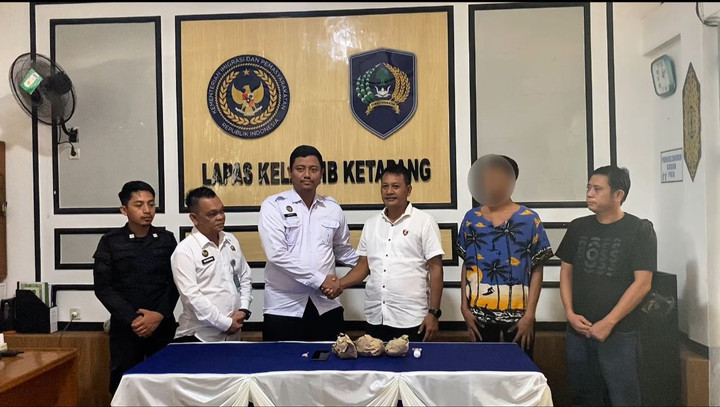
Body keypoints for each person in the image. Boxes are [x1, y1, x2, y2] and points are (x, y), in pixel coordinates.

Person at [556, 166, 656, 406]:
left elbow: (642, 284)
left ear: (618, 195)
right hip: (579, 329)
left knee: (623, 398)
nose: (589, 193)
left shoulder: (639, 229)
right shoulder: (578, 227)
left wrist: (609, 322)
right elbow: (566, 272)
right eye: (588, 188)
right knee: (583, 396)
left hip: (619, 331)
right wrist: (569, 313)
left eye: (597, 189)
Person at [323, 163, 444, 342]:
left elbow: (436, 269)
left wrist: (433, 313)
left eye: (396, 186)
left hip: (411, 318)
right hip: (376, 316)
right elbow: (364, 266)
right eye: (385, 186)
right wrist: (340, 284)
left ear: (408, 190)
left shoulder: (424, 222)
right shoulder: (371, 224)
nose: (389, 191)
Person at [259, 145, 358, 341]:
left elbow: (342, 250)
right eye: (300, 169)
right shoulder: (273, 205)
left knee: (331, 360)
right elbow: (277, 254)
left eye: (313, 169)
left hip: (326, 305)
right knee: (283, 361)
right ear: (290, 172)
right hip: (284, 307)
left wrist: (368, 261)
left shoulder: (332, 208)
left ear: (321, 173)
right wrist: (320, 280)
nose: (307, 175)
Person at [457, 155, 553, 357]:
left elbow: (537, 269)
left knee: (520, 372)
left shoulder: (529, 219)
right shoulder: (471, 218)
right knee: (482, 371)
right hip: (478, 317)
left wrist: (530, 315)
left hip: (520, 318)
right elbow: (467, 264)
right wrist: (464, 308)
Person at [93, 181, 179, 394]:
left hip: (162, 326)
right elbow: (103, 288)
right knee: (125, 386)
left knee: (166, 386)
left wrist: (158, 315)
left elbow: (176, 283)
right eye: (139, 205)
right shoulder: (110, 242)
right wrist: (135, 320)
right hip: (126, 328)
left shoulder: (167, 240)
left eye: (151, 204)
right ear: (124, 210)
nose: (147, 210)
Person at [171, 187, 253, 342]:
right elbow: (192, 298)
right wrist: (226, 323)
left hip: (234, 335)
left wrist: (243, 309)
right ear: (194, 218)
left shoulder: (230, 240)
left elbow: (244, 277)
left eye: (222, 211)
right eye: (212, 214)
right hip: (200, 337)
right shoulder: (185, 251)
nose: (220, 217)